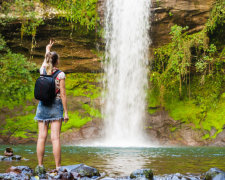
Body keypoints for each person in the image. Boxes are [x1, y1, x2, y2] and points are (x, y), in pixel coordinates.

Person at [34, 40, 69, 175]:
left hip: (42, 106)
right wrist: (65, 112)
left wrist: (48, 48)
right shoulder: (60, 75)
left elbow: (46, 60)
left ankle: (40, 165)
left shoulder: (42, 69)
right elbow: (63, 95)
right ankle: (58, 167)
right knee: (55, 138)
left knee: (41, 137)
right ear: (57, 62)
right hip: (56, 106)